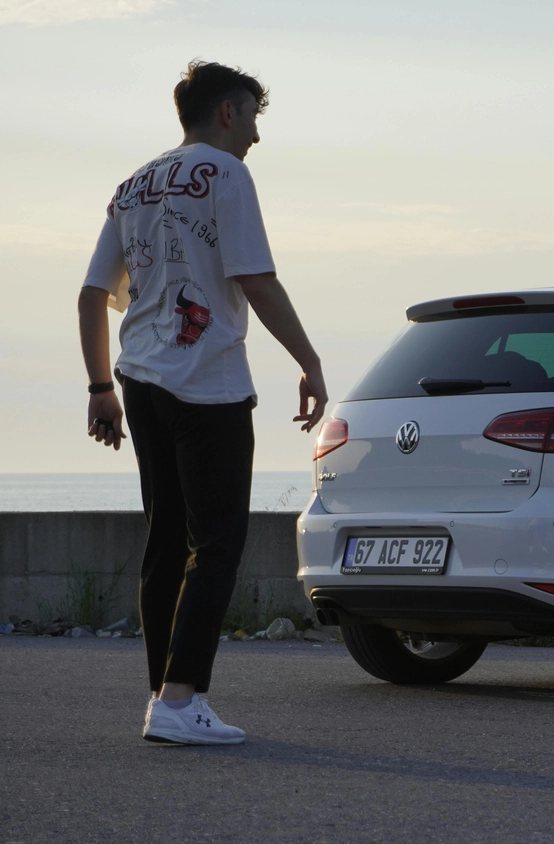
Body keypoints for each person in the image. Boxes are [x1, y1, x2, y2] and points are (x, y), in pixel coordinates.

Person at [77, 61, 327, 743]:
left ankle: (167, 698)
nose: (254, 134)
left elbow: (92, 293)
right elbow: (255, 277)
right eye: (251, 116)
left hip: (139, 379)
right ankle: (181, 700)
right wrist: (309, 361)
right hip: (208, 381)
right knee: (216, 545)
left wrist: (101, 387)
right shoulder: (227, 174)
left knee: (164, 544)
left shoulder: (132, 185)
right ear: (225, 112)